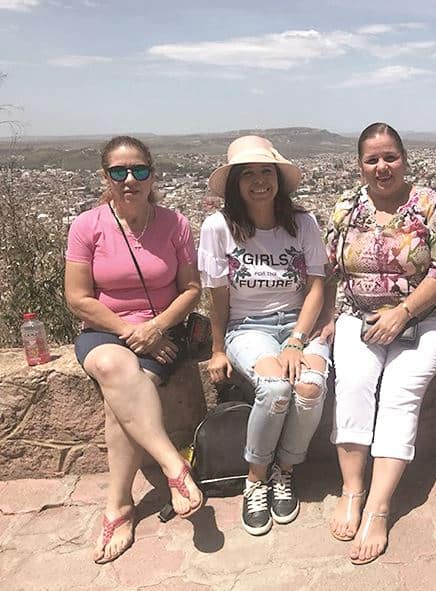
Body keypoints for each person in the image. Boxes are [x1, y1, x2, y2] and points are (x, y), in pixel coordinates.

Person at [322, 122, 436, 564]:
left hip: (422, 318)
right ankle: (352, 491)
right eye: (372, 159)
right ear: (360, 164)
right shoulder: (345, 208)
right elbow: (329, 271)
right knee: (354, 387)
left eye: (390, 157)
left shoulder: (429, 204)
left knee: (400, 394)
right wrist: (327, 319)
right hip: (358, 318)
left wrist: (402, 313)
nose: (382, 166)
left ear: (405, 158)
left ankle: (379, 509)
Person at [65, 136, 203, 564]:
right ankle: (174, 467)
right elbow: (78, 297)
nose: (130, 179)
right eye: (119, 172)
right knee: (114, 365)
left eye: (139, 170)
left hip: (164, 333)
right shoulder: (87, 225)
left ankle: (119, 506)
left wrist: (157, 327)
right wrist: (131, 330)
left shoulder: (175, 224)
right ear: (105, 177)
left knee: (119, 394)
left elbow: (192, 289)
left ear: (152, 175)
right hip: (105, 330)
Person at [199, 136, 329, 536]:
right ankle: (255, 478)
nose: (259, 181)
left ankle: (284, 470)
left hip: (299, 323)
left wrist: (296, 339)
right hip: (248, 327)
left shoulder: (302, 223)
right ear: (236, 182)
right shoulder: (218, 227)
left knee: (309, 388)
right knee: (275, 390)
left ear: (279, 178)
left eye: (266, 171)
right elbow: (217, 297)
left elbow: (317, 287)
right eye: (248, 173)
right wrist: (218, 349)